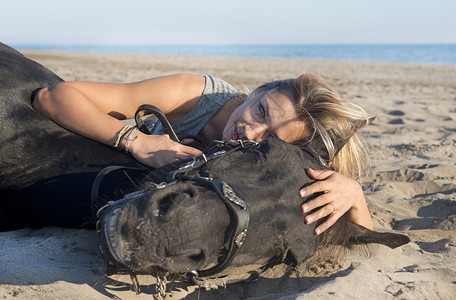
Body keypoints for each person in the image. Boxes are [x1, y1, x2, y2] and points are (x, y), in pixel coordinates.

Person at [32, 73, 373, 235]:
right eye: (262, 111)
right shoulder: (197, 95)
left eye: (270, 137)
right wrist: (137, 141)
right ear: (259, 91)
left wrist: (354, 195)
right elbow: (52, 97)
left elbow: (349, 238)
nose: (251, 131)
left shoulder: (275, 162)